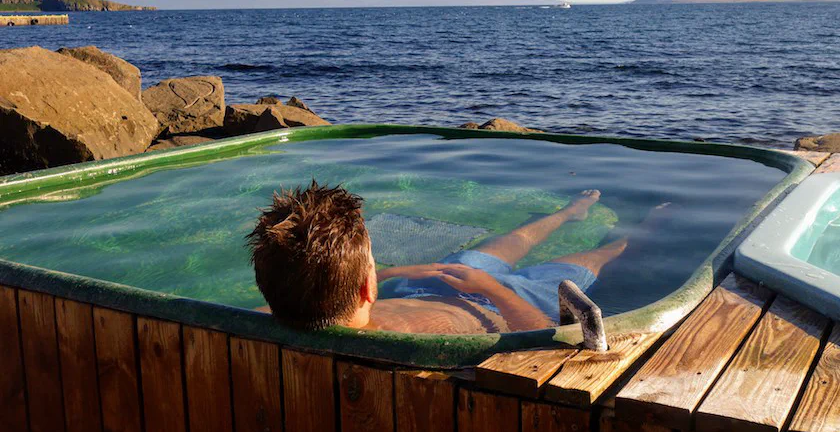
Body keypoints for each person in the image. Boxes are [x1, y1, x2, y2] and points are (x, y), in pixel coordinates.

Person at [247, 180, 672, 333]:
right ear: (366, 286)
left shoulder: (264, 314)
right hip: (503, 306)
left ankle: (566, 213)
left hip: (427, 284)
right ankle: (638, 231)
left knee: (500, 245)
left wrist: (398, 272)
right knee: (603, 253)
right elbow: (545, 335)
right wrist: (492, 290)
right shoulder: (407, 343)